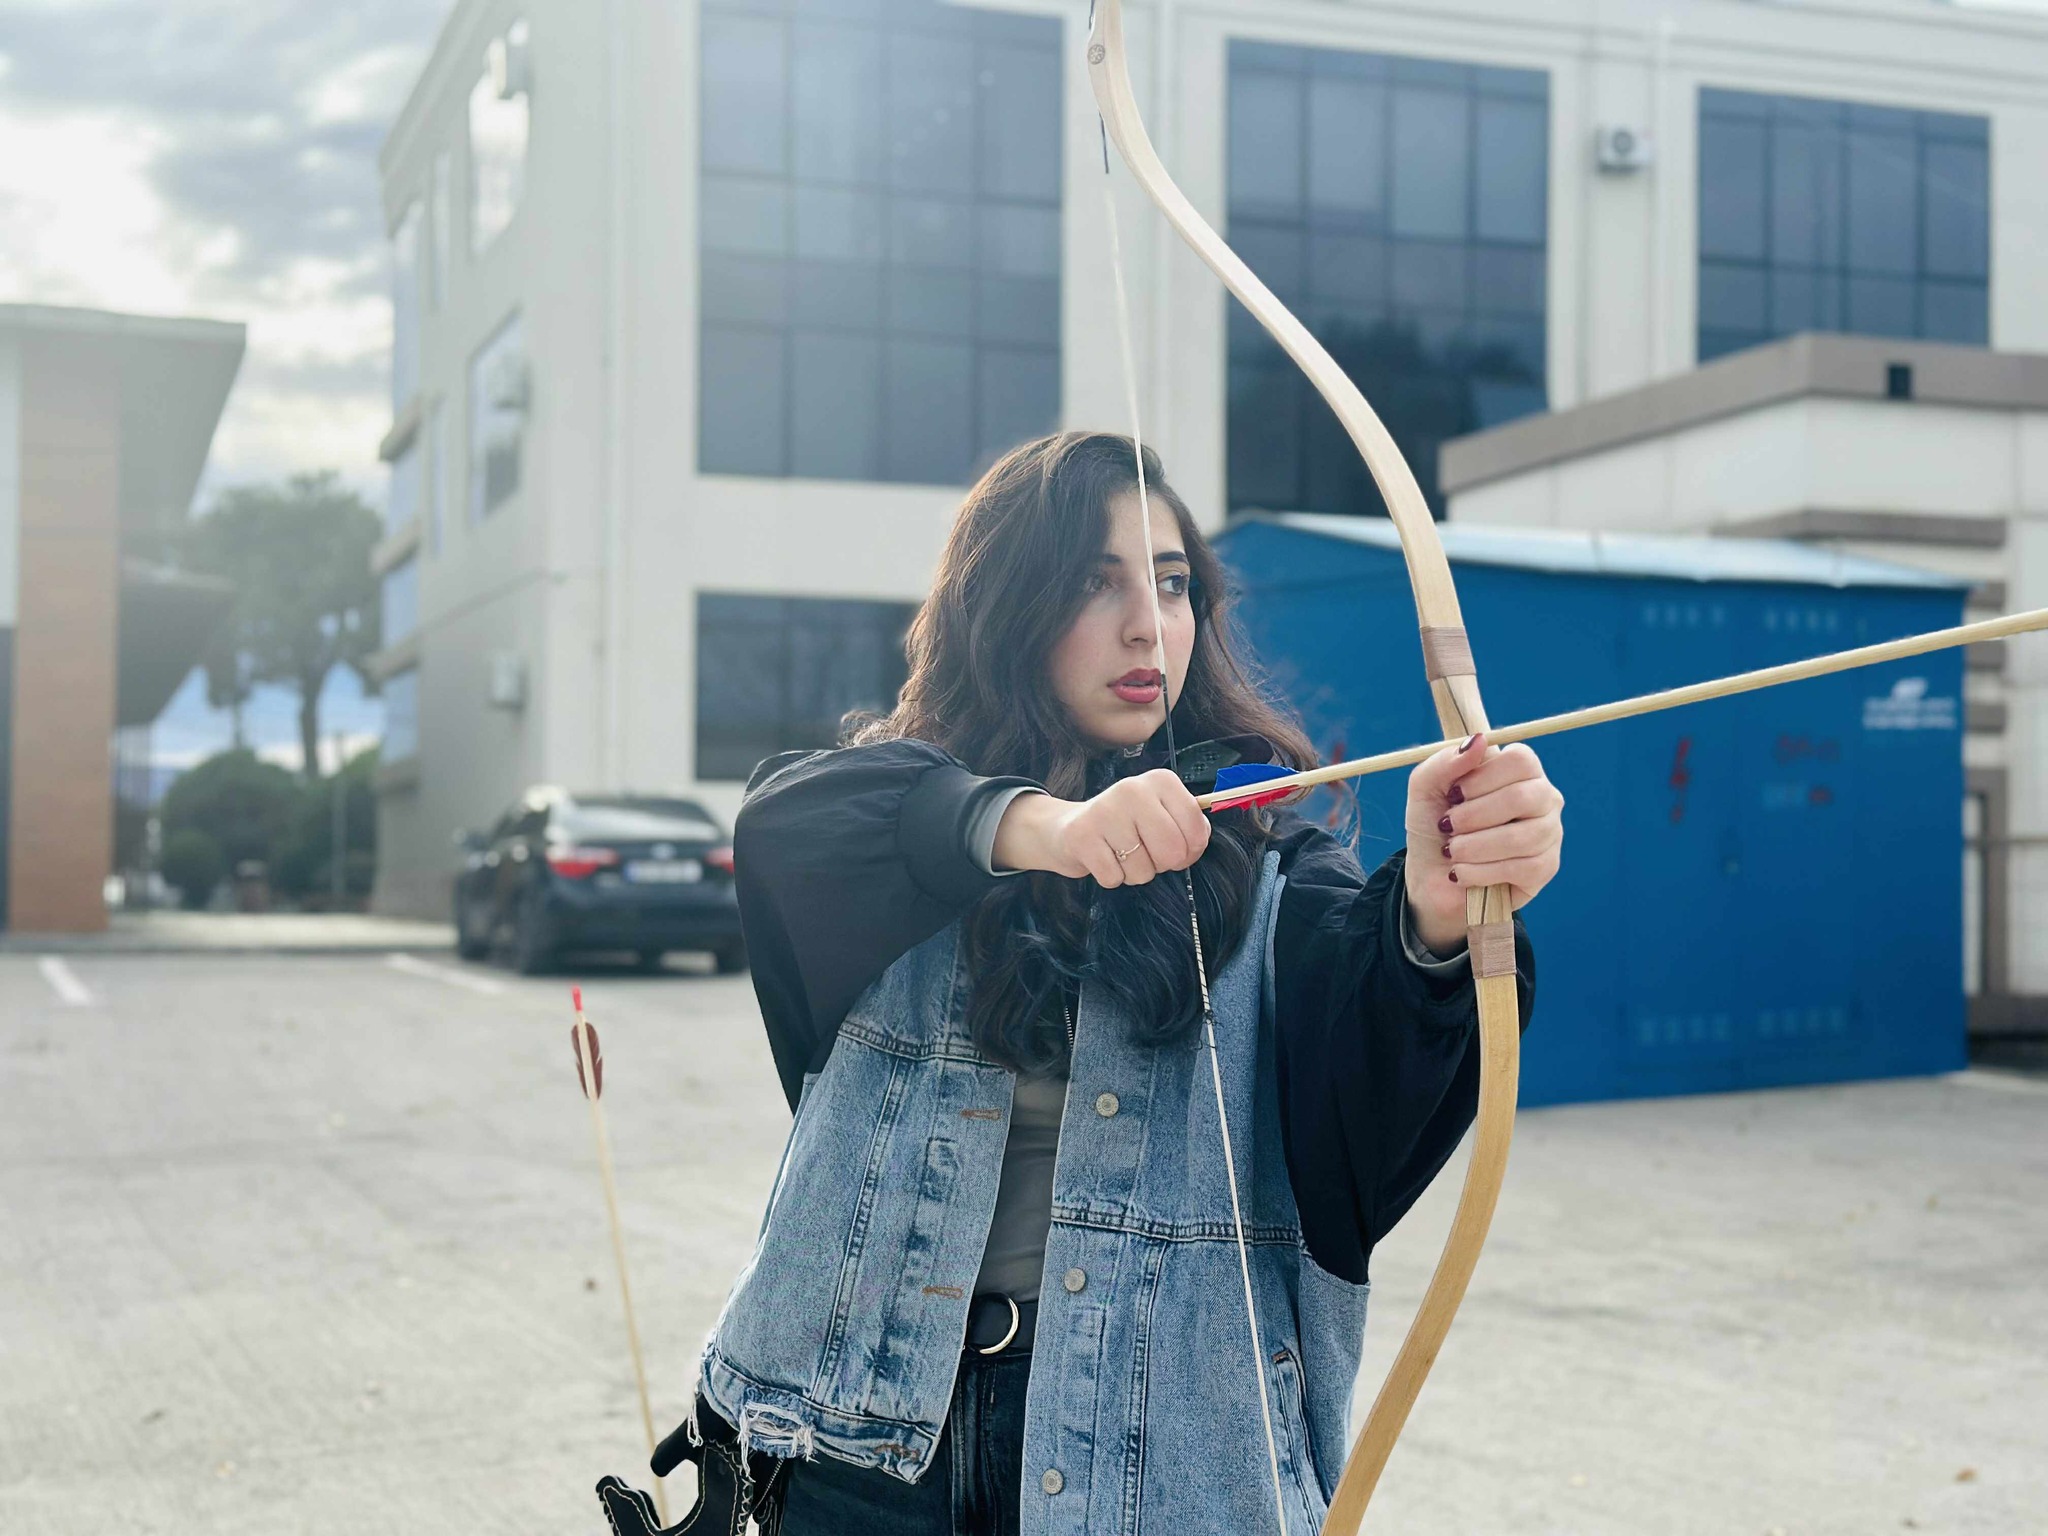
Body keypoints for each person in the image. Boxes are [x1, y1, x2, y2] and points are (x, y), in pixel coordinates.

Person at [699, 431, 1561, 1535]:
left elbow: (1371, 1103)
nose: (1148, 625)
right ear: (1004, 607)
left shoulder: (1272, 862)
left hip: (1153, 1469)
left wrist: (1441, 911)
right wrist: (1045, 829)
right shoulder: (888, 828)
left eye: (1170, 583)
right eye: (1092, 583)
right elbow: (788, 824)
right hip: (852, 1456)